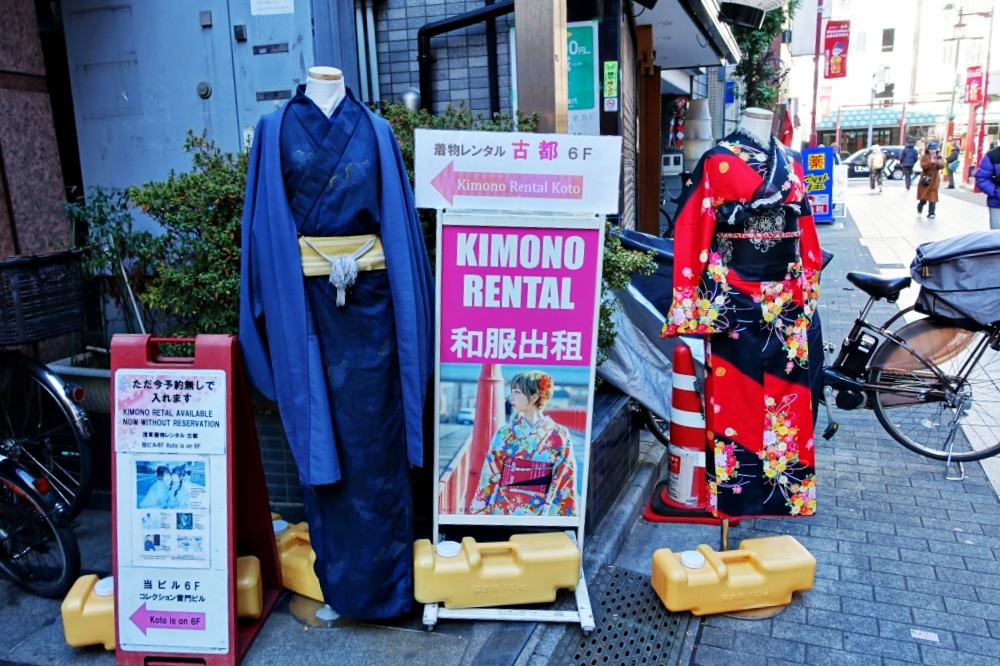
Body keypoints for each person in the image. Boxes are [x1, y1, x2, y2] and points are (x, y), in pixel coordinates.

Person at [239, 65, 433, 620]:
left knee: (378, 445)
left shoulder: (376, 129)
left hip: (375, 312)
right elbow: (263, 233)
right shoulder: (273, 129)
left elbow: (399, 229)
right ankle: (343, 589)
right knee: (325, 446)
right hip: (308, 313)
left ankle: (390, 592)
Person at [661, 107, 821, 519]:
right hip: (733, 296)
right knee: (734, 399)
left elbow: (804, 228)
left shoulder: (790, 161)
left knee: (788, 399)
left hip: (785, 298)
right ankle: (734, 497)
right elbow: (692, 226)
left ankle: (783, 496)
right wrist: (690, 296)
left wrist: (807, 282)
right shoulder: (716, 160)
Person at [469, 371, 576, 516]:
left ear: (534, 397)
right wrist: (481, 513)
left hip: (540, 512)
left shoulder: (560, 434)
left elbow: (565, 477)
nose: (511, 397)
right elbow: (489, 475)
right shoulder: (505, 433)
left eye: (517, 392)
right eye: (512, 392)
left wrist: (563, 520)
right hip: (505, 510)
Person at [974, 143, 1000, 229]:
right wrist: (995, 192)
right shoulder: (993, 155)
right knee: (997, 235)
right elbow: (982, 178)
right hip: (997, 204)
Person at [917, 142, 945, 218]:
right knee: (924, 197)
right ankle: (920, 207)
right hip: (926, 179)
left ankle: (931, 213)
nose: (933, 150)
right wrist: (930, 162)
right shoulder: (925, 157)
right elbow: (923, 166)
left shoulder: (939, 157)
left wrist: (940, 163)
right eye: (931, 149)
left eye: (934, 149)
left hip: (934, 179)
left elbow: (942, 167)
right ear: (928, 149)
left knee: (933, 196)